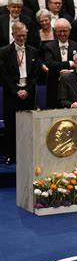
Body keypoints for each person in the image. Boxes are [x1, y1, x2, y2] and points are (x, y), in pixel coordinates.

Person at [0, 21, 40, 163]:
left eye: (24, 36)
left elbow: (35, 75)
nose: (22, 38)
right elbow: (4, 75)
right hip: (12, 94)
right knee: (11, 126)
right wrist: (16, 90)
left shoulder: (33, 51)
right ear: (13, 35)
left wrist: (27, 91)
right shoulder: (4, 52)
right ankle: (11, 154)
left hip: (28, 94)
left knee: (28, 126)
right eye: (19, 36)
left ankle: (27, 154)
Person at [43, 18, 77, 109]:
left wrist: (71, 72)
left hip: (72, 86)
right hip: (54, 85)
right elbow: (50, 63)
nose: (62, 34)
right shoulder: (48, 46)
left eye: (65, 31)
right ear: (54, 31)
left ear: (69, 31)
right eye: (59, 31)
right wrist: (70, 64)